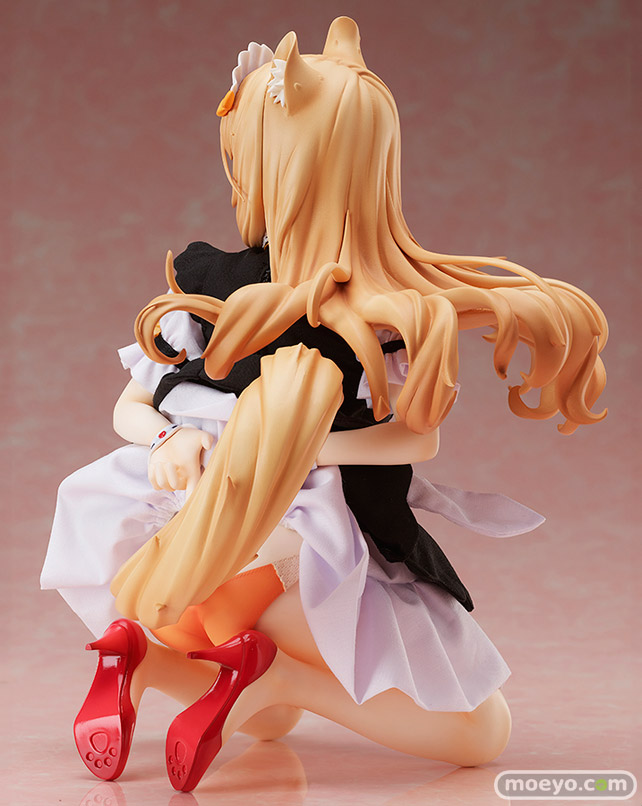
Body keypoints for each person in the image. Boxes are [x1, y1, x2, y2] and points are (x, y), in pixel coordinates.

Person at [41, 17, 608, 792]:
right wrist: (225, 443)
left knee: (268, 729)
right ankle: (275, 678)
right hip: (292, 560)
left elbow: (131, 408)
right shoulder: (384, 312)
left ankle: (139, 655)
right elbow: (413, 441)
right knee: (481, 733)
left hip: (180, 550)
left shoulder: (215, 284)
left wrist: (200, 440)